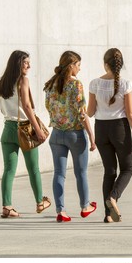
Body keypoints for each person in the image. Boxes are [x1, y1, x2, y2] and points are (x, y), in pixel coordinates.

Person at [87, 48, 132, 223]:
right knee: (127, 168)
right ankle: (113, 197)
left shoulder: (94, 83)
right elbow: (131, 114)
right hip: (120, 129)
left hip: (101, 129)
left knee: (109, 171)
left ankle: (108, 215)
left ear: (105, 65)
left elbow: (89, 112)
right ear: (121, 64)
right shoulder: (126, 84)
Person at [44, 51, 97, 223]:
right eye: (78, 65)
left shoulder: (50, 84)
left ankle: (61, 211)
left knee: (59, 173)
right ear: (71, 65)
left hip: (57, 134)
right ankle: (85, 206)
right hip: (75, 134)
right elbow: (82, 113)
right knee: (80, 172)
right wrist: (91, 135)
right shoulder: (76, 85)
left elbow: (49, 108)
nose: (80, 69)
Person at [0, 50, 51, 218]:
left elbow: (4, 107)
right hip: (25, 129)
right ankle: (40, 202)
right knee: (33, 168)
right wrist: (37, 129)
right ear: (18, 63)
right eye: (26, 62)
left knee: (8, 170)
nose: (29, 65)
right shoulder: (23, 80)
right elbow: (27, 107)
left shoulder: (2, 82)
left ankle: (7, 206)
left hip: (8, 128)